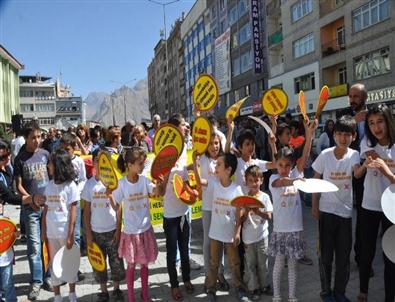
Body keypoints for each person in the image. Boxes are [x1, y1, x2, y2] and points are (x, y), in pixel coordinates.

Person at [311, 116, 365, 302]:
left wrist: (367, 164)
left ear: (353, 136)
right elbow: (315, 181)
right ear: (334, 134)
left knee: (343, 257)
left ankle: (339, 292)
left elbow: (357, 174)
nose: (343, 138)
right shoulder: (325, 155)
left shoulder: (354, 155)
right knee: (325, 255)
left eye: (347, 135)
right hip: (326, 212)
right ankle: (326, 292)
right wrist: (315, 206)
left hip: (345, 213)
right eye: (339, 134)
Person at [268, 119, 317, 302]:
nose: (283, 169)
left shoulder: (297, 173)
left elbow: (304, 154)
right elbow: (282, 182)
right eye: (280, 165)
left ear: (292, 165)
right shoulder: (274, 179)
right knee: (279, 265)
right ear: (276, 165)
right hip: (280, 231)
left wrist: (308, 133)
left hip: (295, 230)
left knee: (293, 266)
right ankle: (277, 296)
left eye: (287, 165)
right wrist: (297, 181)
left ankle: (293, 297)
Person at [110, 147, 163, 302]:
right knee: (131, 266)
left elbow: (157, 193)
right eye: (140, 164)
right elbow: (115, 205)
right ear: (130, 164)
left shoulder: (145, 180)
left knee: (145, 265)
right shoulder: (122, 184)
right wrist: (109, 196)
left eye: (143, 163)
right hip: (131, 232)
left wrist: (161, 183)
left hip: (145, 230)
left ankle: (145, 295)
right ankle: (131, 297)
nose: (142, 167)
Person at [194, 152, 246, 302]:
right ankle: (211, 290)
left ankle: (238, 287)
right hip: (215, 233)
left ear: (228, 170)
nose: (215, 166)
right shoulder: (213, 182)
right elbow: (199, 181)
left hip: (230, 234)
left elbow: (238, 212)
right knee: (213, 263)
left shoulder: (236, 189)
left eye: (218, 164)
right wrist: (195, 162)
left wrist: (237, 232)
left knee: (235, 262)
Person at [356, 104, 395, 302]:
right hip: (370, 205)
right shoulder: (366, 143)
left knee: (391, 255)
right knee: (367, 251)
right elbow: (373, 157)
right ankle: (363, 291)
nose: (376, 127)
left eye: (380, 121)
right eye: (371, 123)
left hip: (392, 209)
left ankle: (390, 297)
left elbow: (383, 168)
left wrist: (388, 173)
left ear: (388, 121)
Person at [13, 121, 51, 300]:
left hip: (49, 207)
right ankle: (36, 281)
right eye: (33, 138)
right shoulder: (20, 159)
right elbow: (18, 185)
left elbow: (52, 180)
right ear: (25, 139)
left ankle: (49, 277)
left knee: (49, 243)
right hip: (31, 209)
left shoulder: (45, 154)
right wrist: (31, 199)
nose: (37, 140)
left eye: (39, 136)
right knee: (34, 246)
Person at [82, 150, 125, 302]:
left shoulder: (115, 183)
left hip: (112, 229)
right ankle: (103, 290)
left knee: (116, 261)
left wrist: (119, 230)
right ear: (93, 163)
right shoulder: (89, 184)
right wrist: (88, 234)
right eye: (97, 161)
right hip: (96, 231)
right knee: (99, 263)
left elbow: (118, 208)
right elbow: (86, 211)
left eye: (104, 161)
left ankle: (117, 289)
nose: (100, 164)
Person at [161, 113, 195, 301]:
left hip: (184, 211)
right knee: (172, 251)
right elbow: (159, 187)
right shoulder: (163, 151)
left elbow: (182, 173)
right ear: (174, 128)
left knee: (185, 249)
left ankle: (187, 280)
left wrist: (192, 166)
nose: (186, 127)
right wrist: (165, 173)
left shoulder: (183, 149)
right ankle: (174, 286)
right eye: (183, 125)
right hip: (170, 214)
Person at [41, 149, 79, 302]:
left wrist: (70, 235)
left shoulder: (70, 186)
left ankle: (72, 293)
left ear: (58, 165)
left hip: (65, 232)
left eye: (50, 163)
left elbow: (73, 213)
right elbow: (45, 211)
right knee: (53, 263)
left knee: (69, 262)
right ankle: (57, 295)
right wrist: (43, 232)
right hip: (51, 233)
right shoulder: (48, 186)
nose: (48, 165)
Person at [193, 131, 228, 291]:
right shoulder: (202, 159)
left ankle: (220, 273)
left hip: (221, 205)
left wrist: (231, 129)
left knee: (219, 240)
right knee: (208, 243)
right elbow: (198, 180)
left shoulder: (223, 159)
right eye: (211, 143)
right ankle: (209, 274)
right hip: (207, 206)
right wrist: (194, 163)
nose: (214, 146)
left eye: (216, 143)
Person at [238, 165, 273, 301]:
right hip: (248, 239)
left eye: (256, 180)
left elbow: (269, 216)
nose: (254, 184)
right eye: (251, 180)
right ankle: (253, 288)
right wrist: (246, 211)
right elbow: (240, 219)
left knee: (263, 263)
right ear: (246, 181)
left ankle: (264, 285)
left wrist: (258, 211)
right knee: (250, 264)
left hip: (262, 237)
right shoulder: (244, 199)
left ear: (261, 180)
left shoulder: (265, 197)